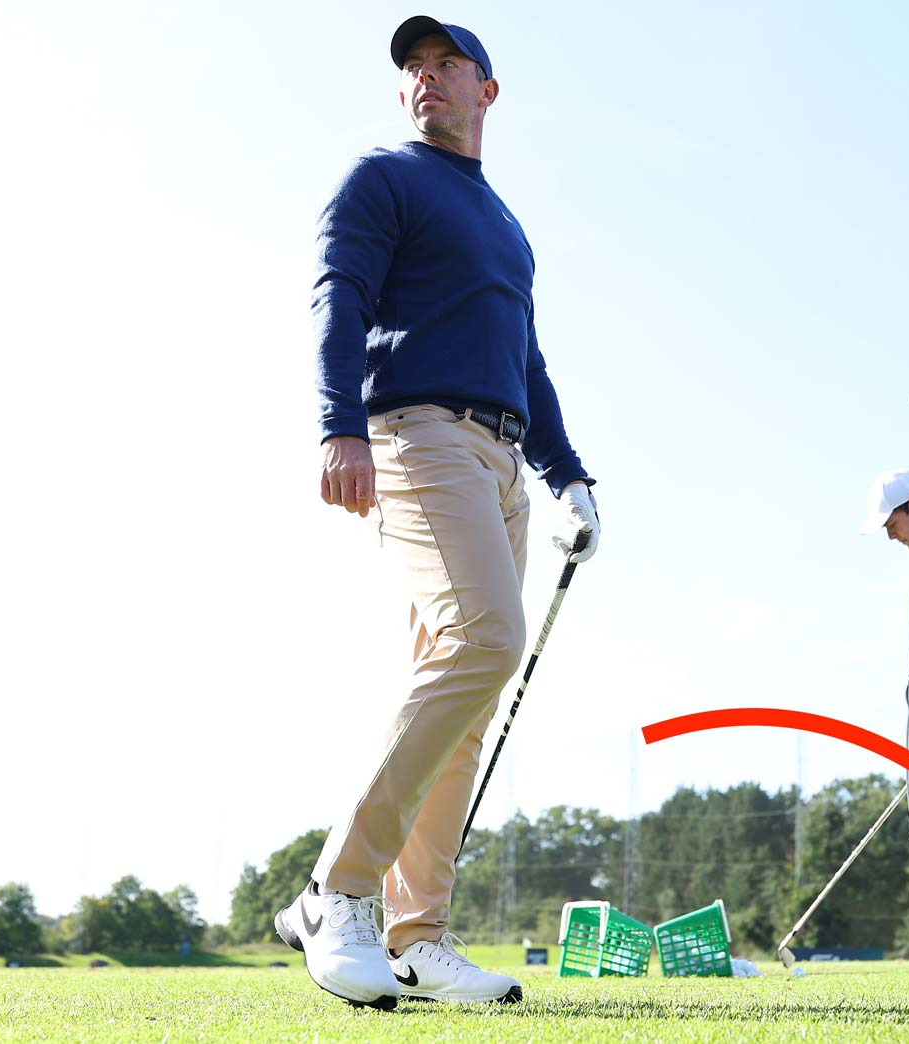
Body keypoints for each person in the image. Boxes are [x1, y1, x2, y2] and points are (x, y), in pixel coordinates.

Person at [275, 15, 599, 1011]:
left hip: (500, 457)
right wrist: (340, 428)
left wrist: (566, 474)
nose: (426, 76)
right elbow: (339, 296)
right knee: (485, 639)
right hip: (417, 436)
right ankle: (337, 890)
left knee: (462, 701)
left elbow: (525, 363)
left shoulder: (504, 224)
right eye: (413, 67)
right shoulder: (383, 178)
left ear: (486, 90)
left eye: (446, 62)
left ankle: (418, 938)